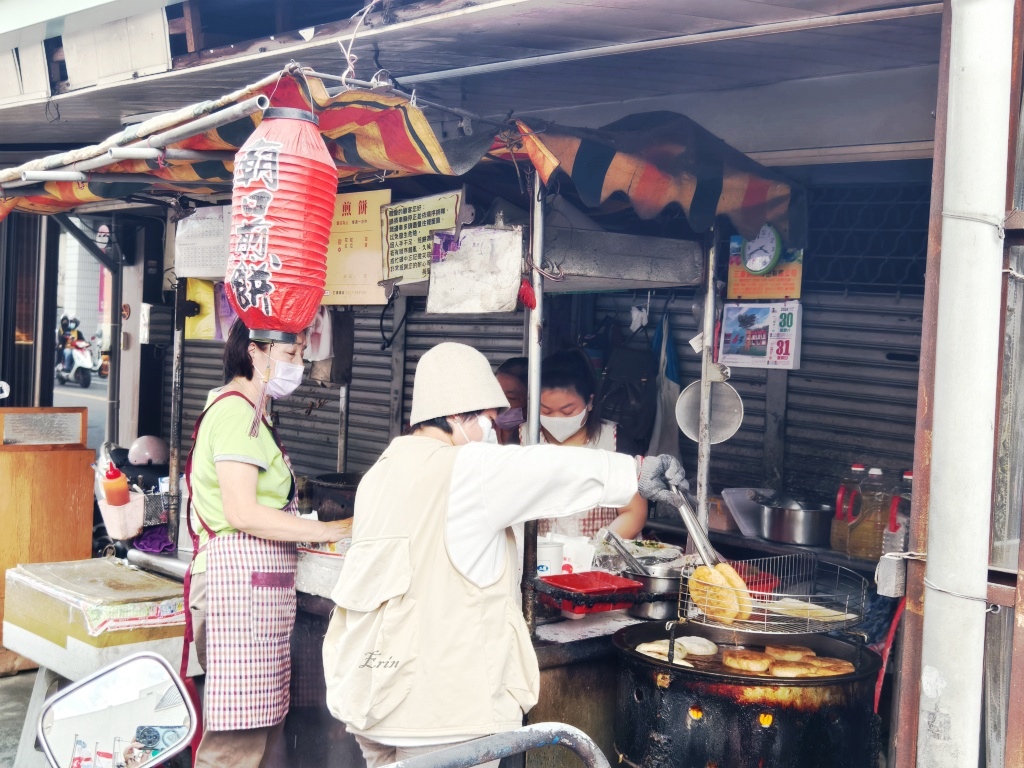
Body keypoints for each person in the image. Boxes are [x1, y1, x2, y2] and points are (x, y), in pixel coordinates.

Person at [321, 342, 684, 767]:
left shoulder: (381, 472)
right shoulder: (465, 467)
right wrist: (634, 472)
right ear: (458, 416)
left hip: (373, 698)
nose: (493, 432)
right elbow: (545, 469)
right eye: (489, 421)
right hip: (442, 715)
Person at [183, 319, 349, 768]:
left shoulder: (251, 412)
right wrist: (328, 532)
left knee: (262, 737)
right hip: (235, 595)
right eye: (291, 356)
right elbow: (242, 512)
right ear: (255, 353)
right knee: (235, 747)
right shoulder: (237, 414)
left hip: (252, 596)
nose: (299, 366)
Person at [530, 348, 650, 539]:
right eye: (546, 411)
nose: (556, 418)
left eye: (567, 411)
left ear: (590, 402)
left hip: (600, 559)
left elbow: (634, 512)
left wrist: (596, 550)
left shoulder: (614, 441)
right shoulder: (522, 439)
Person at [494, 356, 527, 444]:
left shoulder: (538, 438)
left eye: (510, 398)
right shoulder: (482, 431)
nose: (500, 404)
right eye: (496, 395)